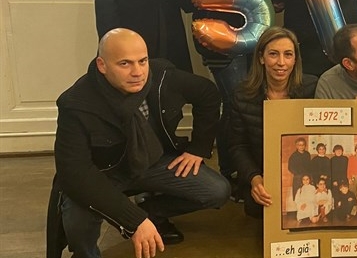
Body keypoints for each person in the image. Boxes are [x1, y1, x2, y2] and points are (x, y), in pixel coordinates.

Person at [47, 28, 228, 258]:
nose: (138, 72)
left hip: (152, 162)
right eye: (125, 64)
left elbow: (208, 94)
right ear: (102, 66)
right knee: (77, 222)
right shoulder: (76, 104)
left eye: (142, 61)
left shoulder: (162, 77)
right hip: (104, 174)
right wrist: (133, 221)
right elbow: (75, 173)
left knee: (217, 190)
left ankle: (151, 212)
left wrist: (198, 149)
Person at [172, 0, 275, 193]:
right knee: (235, 102)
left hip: (255, 35)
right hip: (218, 37)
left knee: (249, 101)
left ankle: (247, 167)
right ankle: (234, 171)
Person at [227, 27, 317, 218]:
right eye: (273, 54)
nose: (281, 63)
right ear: (261, 58)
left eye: (288, 55)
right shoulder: (242, 95)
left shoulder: (313, 88)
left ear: (295, 59)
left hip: (306, 175)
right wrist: (254, 178)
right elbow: (237, 145)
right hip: (263, 172)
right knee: (256, 209)